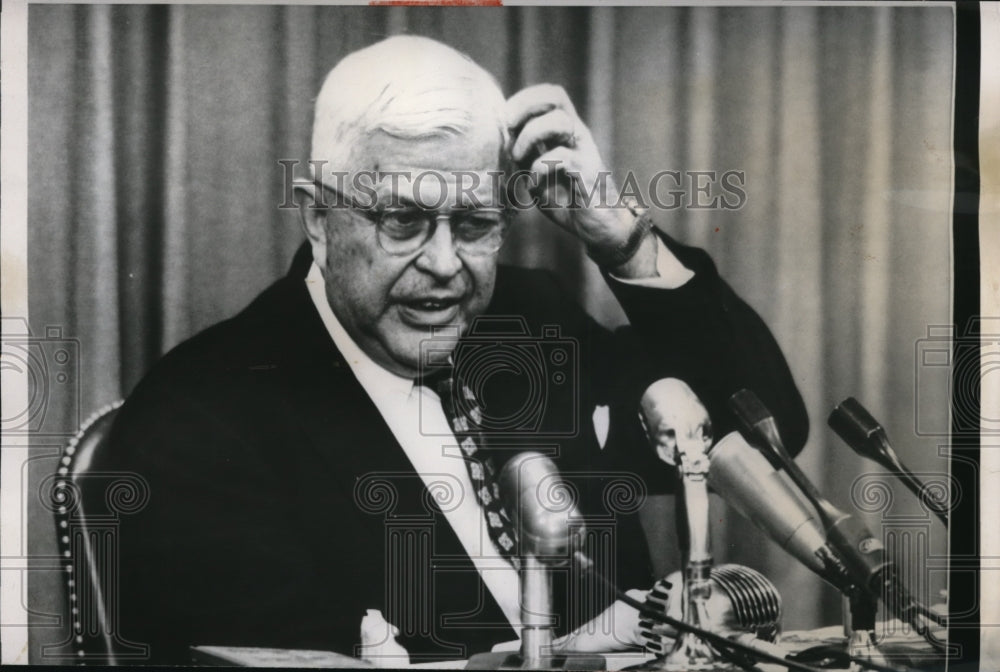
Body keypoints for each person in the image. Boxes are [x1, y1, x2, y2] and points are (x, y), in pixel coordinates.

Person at [89, 35, 808, 665]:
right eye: (402, 220)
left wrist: (620, 239)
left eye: (473, 223)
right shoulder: (203, 417)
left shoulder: (525, 322)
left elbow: (760, 431)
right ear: (318, 216)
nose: (444, 263)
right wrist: (586, 648)